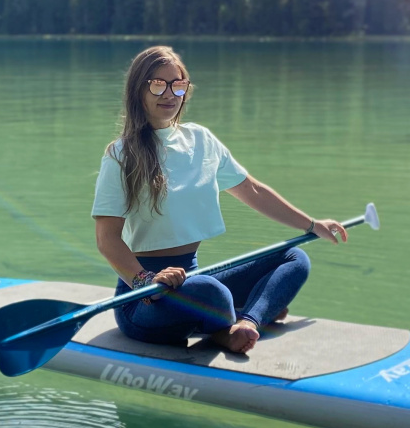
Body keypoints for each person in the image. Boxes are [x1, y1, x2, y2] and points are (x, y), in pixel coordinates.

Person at [91, 45, 346, 355]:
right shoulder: (120, 155)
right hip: (144, 298)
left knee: (294, 258)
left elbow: (251, 189)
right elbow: (107, 239)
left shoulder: (201, 140)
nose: (170, 93)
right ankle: (230, 325)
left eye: (178, 83)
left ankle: (247, 323)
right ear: (138, 90)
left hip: (194, 280)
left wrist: (311, 224)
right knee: (209, 290)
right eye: (158, 84)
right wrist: (145, 281)